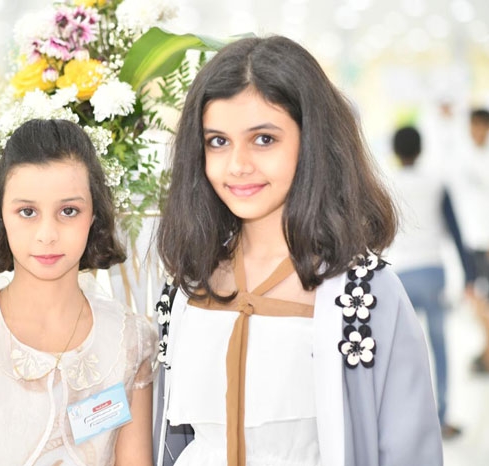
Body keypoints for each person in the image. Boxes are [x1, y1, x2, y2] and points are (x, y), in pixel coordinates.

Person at [153, 36, 442, 466]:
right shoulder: (186, 284)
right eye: (218, 141)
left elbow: (408, 452)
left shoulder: (366, 294)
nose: (238, 165)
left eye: (263, 139)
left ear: (312, 142)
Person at [0, 119, 157, 465]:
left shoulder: (130, 342)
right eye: (27, 212)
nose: (47, 234)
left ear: (94, 216)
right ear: (0, 215)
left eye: (68, 211)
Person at [386, 125, 467, 439]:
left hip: (399, 274)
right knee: (439, 346)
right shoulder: (436, 182)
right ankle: (441, 417)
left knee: (402, 352)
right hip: (433, 271)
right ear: (420, 149)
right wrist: (470, 275)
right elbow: (455, 231)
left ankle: (406, 420)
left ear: (395, 151)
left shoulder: (387, 184)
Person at [452, 108, 489, 374]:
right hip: (471, 241)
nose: (475, 131)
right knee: (474, 297)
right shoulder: (462, 156)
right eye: (472, 125)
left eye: (480, 126)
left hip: (486, 242)